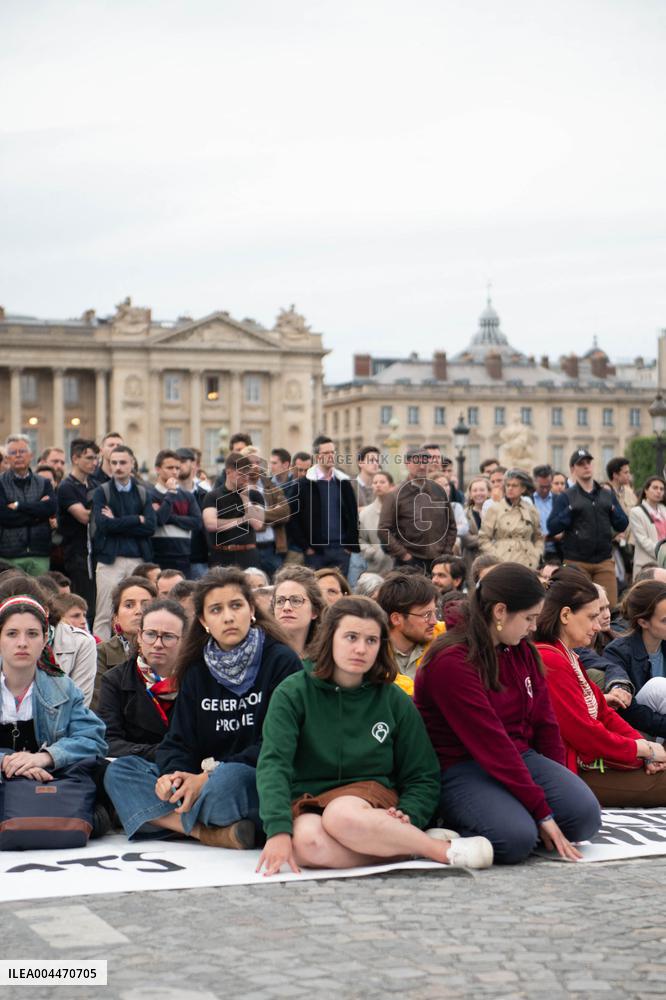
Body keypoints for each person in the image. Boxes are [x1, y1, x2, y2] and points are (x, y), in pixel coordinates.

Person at [256, 596, 492, 875]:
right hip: (310, 797)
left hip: (371, 797)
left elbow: (423, 772)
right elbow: (274, 764)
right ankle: (410, 847)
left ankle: (443, 852)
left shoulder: (392, 698)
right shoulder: (293, 692)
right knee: (307, 845)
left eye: (371, 640)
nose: (360, 649)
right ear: (330, 637)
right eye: (351, 637)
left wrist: (411, 812)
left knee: (341, 814)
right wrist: (277, 831)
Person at [415, 563, 601, 864]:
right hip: (460, 765)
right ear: (500, 612)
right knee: (515, 839)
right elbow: (490, 743)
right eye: (529, 618)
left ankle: (516, 807)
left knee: (584, 817)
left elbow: (545, 724)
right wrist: (541, 811)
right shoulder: (451, 661)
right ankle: (450, 823)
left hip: (517, 755)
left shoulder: (522, 650)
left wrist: (556, 787)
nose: (534, 627)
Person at [104, 568, 301, 848]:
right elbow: (178, 741)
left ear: (252, 611)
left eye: (236, 606)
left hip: (252, 774)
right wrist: (174, 776)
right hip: (200, 779)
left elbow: (277, 745)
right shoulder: (196, 668)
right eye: (216, 610)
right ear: (203, 620)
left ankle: (161, 819)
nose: (228, 617)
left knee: (227, 784)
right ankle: (208, 832)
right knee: (121, 772)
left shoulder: (280, 660)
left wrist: (206, 778)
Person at [535, 568, 666, 807]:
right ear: (565, 615)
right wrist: (643, 749)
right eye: (591, 616)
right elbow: (586, 734)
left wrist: (644, 748)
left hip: (592, 759)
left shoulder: (567, 655)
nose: (598, 626)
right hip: (576, 768)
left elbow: (604, 714)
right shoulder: (551, 659)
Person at [0, 594, 106, 783]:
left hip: (46, 787)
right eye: (12, 633)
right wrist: (6, 762)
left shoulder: (63, 687)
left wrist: (46, 757)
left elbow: (93, 739)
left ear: (45, 638)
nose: (22, 643)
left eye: (32, 633)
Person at [98, 598, 187, 760]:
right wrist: (161, 752)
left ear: (183, 641)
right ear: (139, 636)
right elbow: (108, 742)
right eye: (151, 634)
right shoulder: (115, 680)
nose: (158, 644)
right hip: (137, 765)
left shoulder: (195, 679)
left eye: (168, 637)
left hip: (186, 767)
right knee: (115, 771)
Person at [91, 445, 157, 639]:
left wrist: (116, 520)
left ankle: (141, 655)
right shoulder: (102, 492)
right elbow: (103, 525)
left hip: (138, 560)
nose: (118, 467)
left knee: (142, 613)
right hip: (110, 560)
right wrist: (136, 519)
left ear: (132, 464)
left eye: (122, 462)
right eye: (113, 462)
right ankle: (99, 660)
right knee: (104, 613)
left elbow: (150, 527)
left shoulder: (144, 492)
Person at [548, 449, 628, 607]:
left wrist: (612, 510)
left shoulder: (606, 494)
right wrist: (570, 510)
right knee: (580, 608)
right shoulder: (566, 496)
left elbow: (623, 523)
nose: (586, 466)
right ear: (572, 469)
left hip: (604, 561)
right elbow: (552, 527)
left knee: (609, 609)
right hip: (576, 562)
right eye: (581, 464)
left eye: (588, 463)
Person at [603, 581, 666, 739]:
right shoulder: (618, 651)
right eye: (665, 620)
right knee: (658, 686)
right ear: (643, 622)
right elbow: (628, 710)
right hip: (637, 731)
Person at [290, 437, 359, 578]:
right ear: (317, 456)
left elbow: (353, 515)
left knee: (341, 592)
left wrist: (349, 546)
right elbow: (293, 518)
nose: (331, 456)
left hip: (341, 550)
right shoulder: (303, 485)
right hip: (315, 552)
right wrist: (306, 547)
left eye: (332, 452)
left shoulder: (344, 483)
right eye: (326, 453)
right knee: (317, 593)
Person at [378, 448, 456, 573]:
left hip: (439, 561)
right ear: (407, 464)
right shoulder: (395, 495)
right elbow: (383, 530)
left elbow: (451, 525)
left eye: (425, 462)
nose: (422, 466)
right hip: (409, 564)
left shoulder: (439, 491)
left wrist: (446, 553)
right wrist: (404, 555)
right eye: (417, 462)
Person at [93, 576, 158, 709]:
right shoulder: (100, 653)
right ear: (116, 618)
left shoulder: (172, 650)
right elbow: (100, 707)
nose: (139, 611)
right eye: (129, 605)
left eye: (146, 605)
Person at [0, 435, 57, 577]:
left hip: (39, 554)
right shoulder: (0, 483)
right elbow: (5, 517)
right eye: (13, 453)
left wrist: (19, 506)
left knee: (40, 597)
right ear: (7, 458)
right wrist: (38, 515)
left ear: (31, 455)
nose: (18, 456)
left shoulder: (44, 483)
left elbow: (50, 508)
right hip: (9, 556)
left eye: (22, 451)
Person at [202, 452, 265, 570]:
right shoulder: (212, 496)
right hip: (221, 555)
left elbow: (257, 524)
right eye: (241, 474)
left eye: (247, 474)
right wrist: (242, 519)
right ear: (228, 472)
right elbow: (210, 524)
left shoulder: (255, 495)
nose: (245, 478)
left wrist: (245, 498)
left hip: (248, 554)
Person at [57, 438, 99, 614]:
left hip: (94, 553)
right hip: (76, 553)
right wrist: (101, 513)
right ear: (75, 458)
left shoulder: (95, 485)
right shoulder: (66, 486)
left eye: (96, 458)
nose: (94, 463)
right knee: (83, 603)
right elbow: (83, 516)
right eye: (89, 458)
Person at [376, 573, 444, 681]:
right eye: (426, 615)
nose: (434, 621)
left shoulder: (444, 639)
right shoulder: (373, 654)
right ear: (396, 619)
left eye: (435, 612)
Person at [150, 450, 202, 577]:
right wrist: (171, 493)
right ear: (158, 469)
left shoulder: (187, 496)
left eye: (177, 468)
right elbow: (159, 520)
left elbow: (197, 523)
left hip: (183, 556)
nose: (174, 471)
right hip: (158, 556)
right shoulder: (149, 494)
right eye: (169, 467)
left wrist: (171, 518)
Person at [479, 469, 543, 570]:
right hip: (503, 561)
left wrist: (536, 554)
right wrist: (495, 555)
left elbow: (539, 537)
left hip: (528, 561)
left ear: (523, 489)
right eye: (508, 485)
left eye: (514, 485)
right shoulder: (495, 509)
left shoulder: (531, 510)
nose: (510, 488)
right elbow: (483, 538)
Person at [272, 565, 325, 661]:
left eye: (296, 601)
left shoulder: (324, 659)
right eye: (280, 601)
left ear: (314, 611)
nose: (286, 608)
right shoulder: (262, 654)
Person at [629, 476, 666, 581]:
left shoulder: (664, 510)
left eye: (661, 489)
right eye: (655, 488)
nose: (658, 491)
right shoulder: (636, 512)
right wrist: (662, 553)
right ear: (646, 490)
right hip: (646, 565)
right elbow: (643, 540)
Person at [358, 471, 394, 577]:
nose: (378, 485)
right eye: (375, 482)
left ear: (392, 486)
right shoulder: (365, 513)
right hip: (375, 569)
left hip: (399, 567)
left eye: (382, 482)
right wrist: (373, 552)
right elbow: (360, 539)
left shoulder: (401, 510)